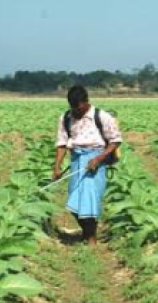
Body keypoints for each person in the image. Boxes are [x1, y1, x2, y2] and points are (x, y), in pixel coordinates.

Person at [53, 85, 122, 245]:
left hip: (96, 160)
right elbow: (62, 143)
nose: (77, 110)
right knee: (74, 199)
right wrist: (57, 166)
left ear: (86, 101)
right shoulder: (66, 118)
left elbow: (115, 141)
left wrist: (98, 159)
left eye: (79, 106)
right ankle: (86, 232)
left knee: (89, 198)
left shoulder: (102, 116)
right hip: (77, 159)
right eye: (73, 107)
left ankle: (91, 238)